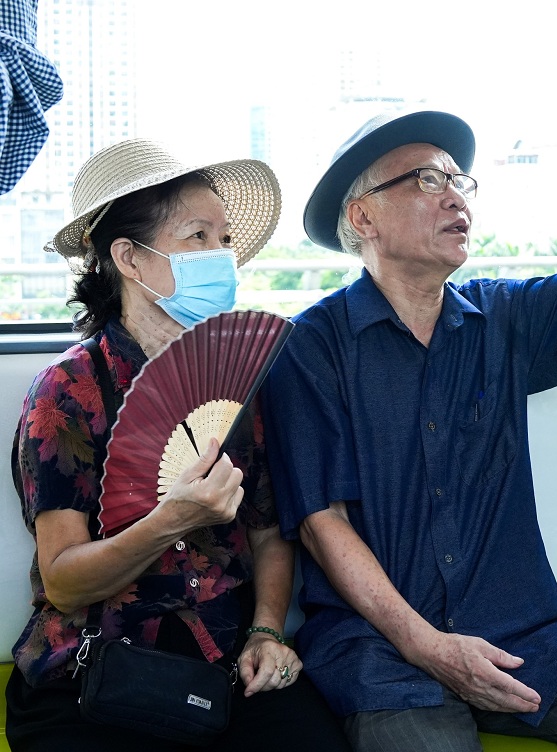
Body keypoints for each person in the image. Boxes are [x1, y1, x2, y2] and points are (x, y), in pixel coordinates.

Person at [263, 89, 557, 752]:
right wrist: (429, 647)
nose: (456, 199)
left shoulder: (500, 318)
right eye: (428, 181)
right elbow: (322, 525)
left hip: (519, 638)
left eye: (459, 182)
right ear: (363, 216)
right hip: (385, 652)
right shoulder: (310, 348)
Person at [5, 139, 349, 752]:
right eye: (198, 237)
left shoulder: (239, 380)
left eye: (225, 239)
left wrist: (267, 631)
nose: (223, 256)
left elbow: (268, 533)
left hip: (222, 664)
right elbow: (63, 583)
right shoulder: (69, 391)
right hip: (97, 667)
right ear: (129, 259)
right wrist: (172, 521)